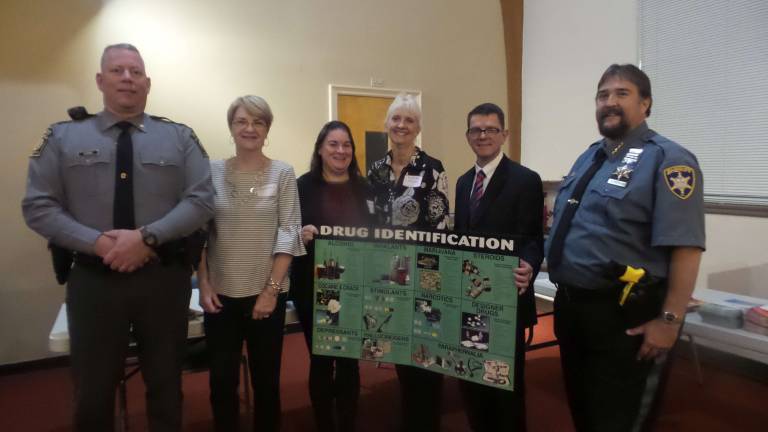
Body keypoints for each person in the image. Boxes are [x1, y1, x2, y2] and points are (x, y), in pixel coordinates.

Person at [21, 43, 215, 431]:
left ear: (147, 83)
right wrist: (98, 243)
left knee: (165, 386)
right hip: (95, 281)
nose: (127, 78)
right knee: (93, 391)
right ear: (100, 80)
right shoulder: (62, 137)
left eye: (135, 72)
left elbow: (202, 199)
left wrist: (147, 238)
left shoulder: (179, 137)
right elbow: (38, 206)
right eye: (117, 70)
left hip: (162, 280)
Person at [546, 64, 705, 432]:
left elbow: (686, 248)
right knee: (584, 411)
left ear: (646, 103)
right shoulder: (590, 157)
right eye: (603, 95)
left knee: (619, 418)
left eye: (622, 94)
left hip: (626, 317)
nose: (609, 102)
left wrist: (669, 322)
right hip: (574, 311)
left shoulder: (670, 160)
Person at [197, 95, 306, 431]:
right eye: (242, 121)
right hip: (220, 297)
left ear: (267, 129)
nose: (250, 128)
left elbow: (289, 232)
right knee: (221, 384)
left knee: (267, 384)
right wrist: (203, 282)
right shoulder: (209, 171)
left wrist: (271, 293)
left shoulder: (283, 172)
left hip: (266, 295)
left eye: (258, 122)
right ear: (231, 127)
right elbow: (198, 232)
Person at [454, 103, 543, 431]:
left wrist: (530, 265)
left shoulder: (525, 180)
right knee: (472, 379)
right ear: (467, 136)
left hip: (506, 298)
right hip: (468, 299)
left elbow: (534, 238)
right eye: (476, 130)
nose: (483, 135)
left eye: (491, 129)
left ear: (504, 134)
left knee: (504, 385)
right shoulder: (464, 183)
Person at [367, 93, 450, 432]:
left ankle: (428, 420)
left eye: (409, 120)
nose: (401, 125)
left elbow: (442, 226)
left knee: (427, 353)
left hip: (425, 275)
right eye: (396, 119)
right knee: (401, 349)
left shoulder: (433, 169)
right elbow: (369, 224)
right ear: (387, 124)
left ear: (418, 128)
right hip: (389, 276)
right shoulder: (376, 170)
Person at [290, 120, 373, 432]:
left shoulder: (364, 188)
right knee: (322, 358)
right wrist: (300, 234)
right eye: (333, 145)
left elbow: (378, 234)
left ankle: (348, 421)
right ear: (320, 150)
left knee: (350, 359)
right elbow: (284, 232)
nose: (341, 151)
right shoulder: (301, 186)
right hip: (313, 287)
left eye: (346, 145)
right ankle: (324, 422)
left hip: (355, 287)